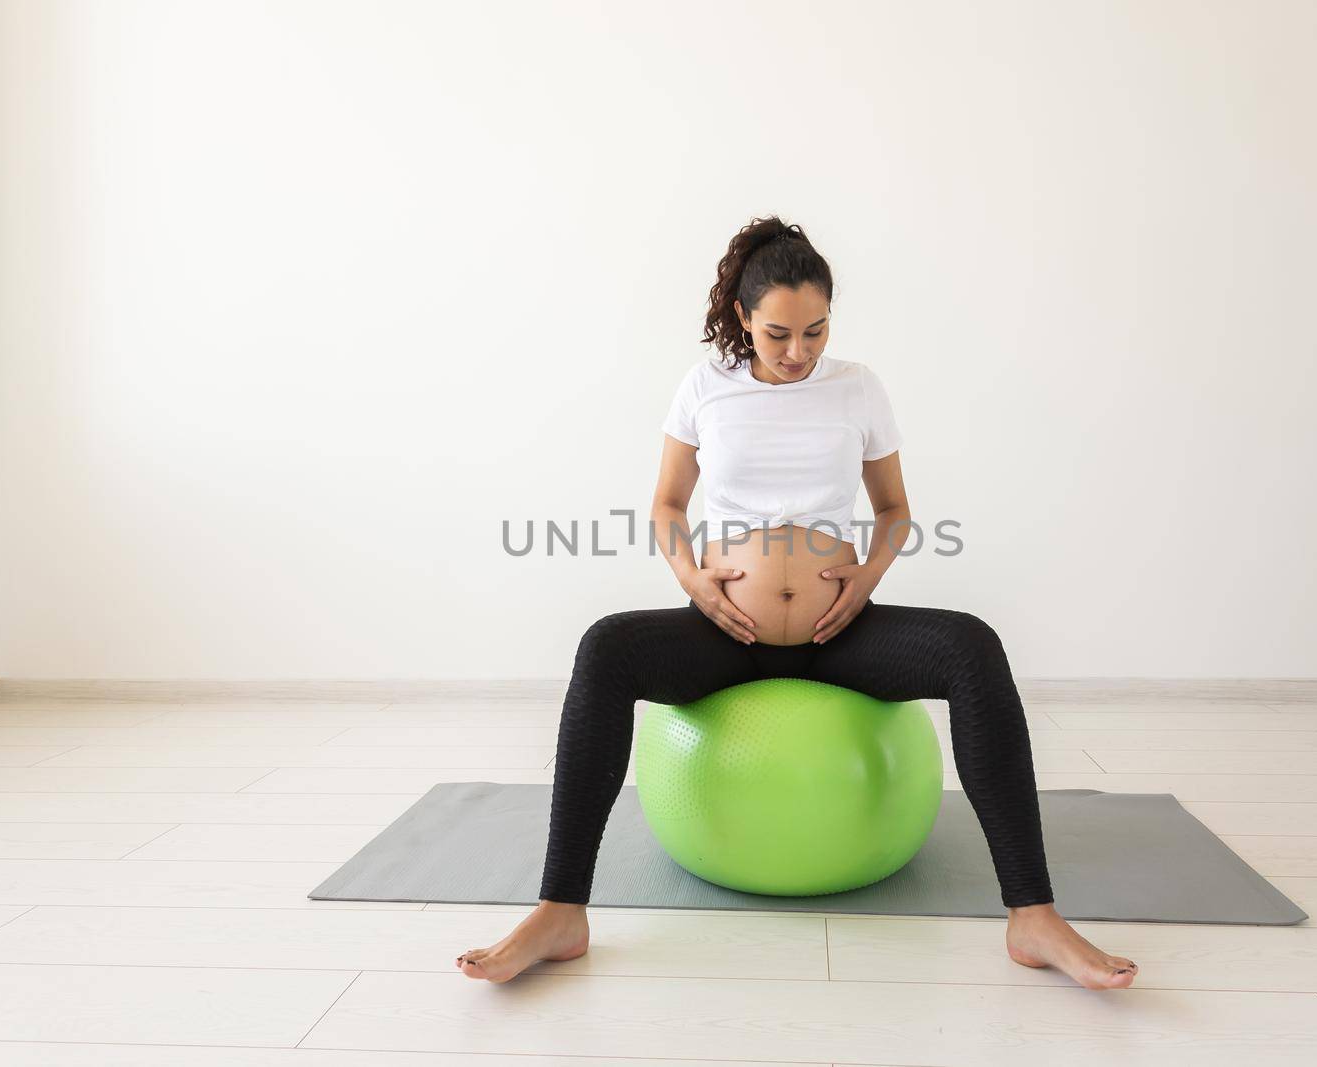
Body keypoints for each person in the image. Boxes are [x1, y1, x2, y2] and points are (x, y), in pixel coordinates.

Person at [457, 216, 1140, 990]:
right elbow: (666, 506)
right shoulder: (704, 387)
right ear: (743, 317)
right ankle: (560, 911)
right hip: (727, 631)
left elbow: (893, 511)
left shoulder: (858, 387)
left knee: (972, 644)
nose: (797, 352)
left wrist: (868, 578)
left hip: (835, 631)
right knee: (605, 645)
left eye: (816, 331)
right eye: (779, 332)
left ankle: (1034, 917)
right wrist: (694, 583)